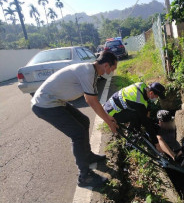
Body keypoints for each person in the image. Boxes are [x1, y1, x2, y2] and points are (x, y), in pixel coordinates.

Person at [31, 50, 119, 188]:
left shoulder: (92, 71)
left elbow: (88, 97)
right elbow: (92, 101)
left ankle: (88, 156)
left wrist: (107, 116)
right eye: (112, 69)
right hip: (45, 104)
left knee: (84, 121)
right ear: (106, 65)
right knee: (77, 133)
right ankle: (85, 177)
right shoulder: (88, 71)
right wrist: (109, 123)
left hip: (55, 102)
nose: (111, 72)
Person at [103, 82, 176, 160]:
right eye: (157, 96)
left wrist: (147, 112)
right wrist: (156, 144)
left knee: (141, 115)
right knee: (138, 116)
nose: (157, 98)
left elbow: (145, 102)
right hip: (112, 114)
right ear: (151, 92)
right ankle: (134, 132)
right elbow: (147, 124)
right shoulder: (138, 103)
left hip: (109, 104)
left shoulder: (142, 85)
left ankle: (135, 127)